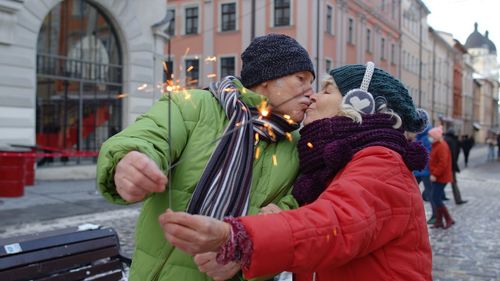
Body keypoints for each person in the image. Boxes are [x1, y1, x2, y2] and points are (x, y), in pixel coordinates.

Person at [160, 62, 433, 281]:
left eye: (326, 90)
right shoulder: (333, 166)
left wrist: (238, 238)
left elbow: (334, 224)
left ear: (360, 103)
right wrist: (284, 218)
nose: (312, 96)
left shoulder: (381, 162)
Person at [96, 33, 316, 281]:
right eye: (301, 80)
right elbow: (147, 136)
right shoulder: (193, 105)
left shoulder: (300, 146)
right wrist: (128, 160)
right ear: (266, 79)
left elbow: (293, 217)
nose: (312, 93)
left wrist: (247, 251)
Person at [428, 126, 455, 229]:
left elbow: (443, 163)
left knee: (436, 198)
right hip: (438, 176)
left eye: (430, 136)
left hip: (441, 177)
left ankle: (448, 219)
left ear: (435, 136)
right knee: (436, 198)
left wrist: (435, 174)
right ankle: (439, 221)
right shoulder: (436, 145)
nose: (429, 137)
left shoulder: (441, 146)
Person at [413, 124, 436, 223]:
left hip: (424, 171)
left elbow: (428, 155)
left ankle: (435, 215)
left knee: (431, 194)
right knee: (412, 193)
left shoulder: (425, 139)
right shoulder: (419, 137)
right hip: (418, 170)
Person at [444, 128, 467, 205]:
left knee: (441, 182)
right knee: (453, 182)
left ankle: (436, 195)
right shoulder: (451, 141)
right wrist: (454, 165)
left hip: (447, 164)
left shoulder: (446, 139)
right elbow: (453, 155)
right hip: (450, 165)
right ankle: (458, 199)